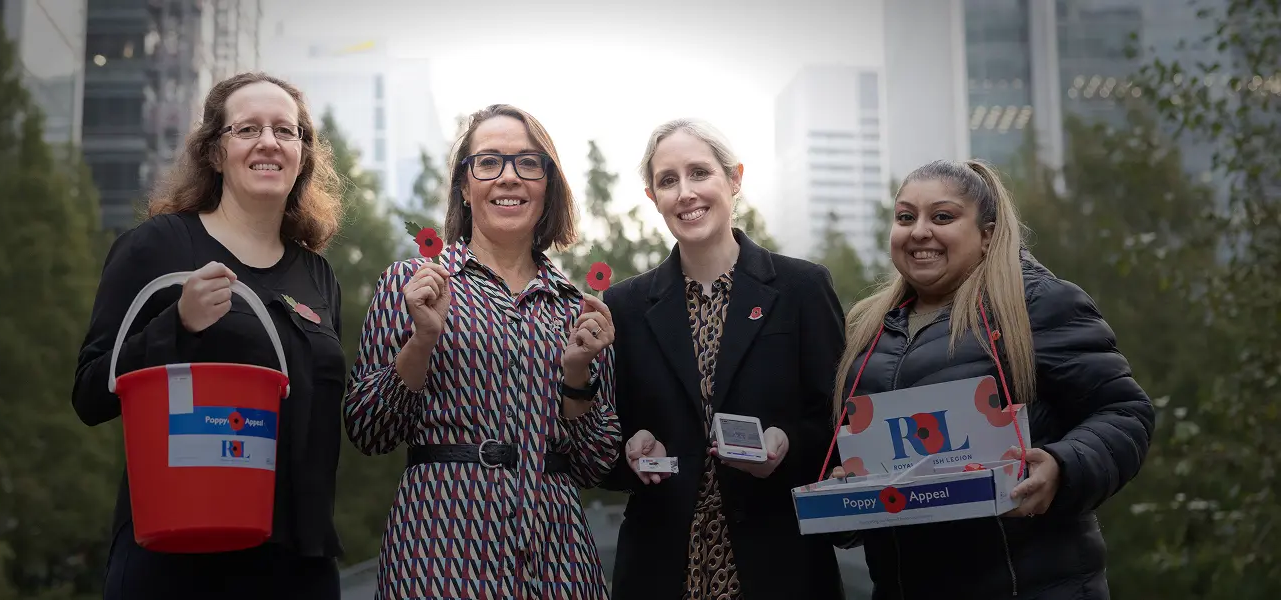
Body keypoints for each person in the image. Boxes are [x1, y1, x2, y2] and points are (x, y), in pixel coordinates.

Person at [72, 72, 347, 599]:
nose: (269, 142)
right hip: (182, 556)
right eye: (247, 129)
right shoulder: (158, 248)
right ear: (215, 153)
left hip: (300, 566)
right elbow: (89, 392)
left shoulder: (318, 276)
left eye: (286, 131)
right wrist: (176, 324)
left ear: (303, 155)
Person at [830, 159, 1155, 599]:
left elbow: (1124, 412)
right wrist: (846, 492)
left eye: (942, 216)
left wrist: (1063, 466)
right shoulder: (867, 329)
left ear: (987, 234)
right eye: (906, 217)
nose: (919, 231)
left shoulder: (1035, 303)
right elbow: (858, 454)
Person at [344, 104, 622, 598]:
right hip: (439, 552)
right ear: (465, 187)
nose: (509, 178)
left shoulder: (577, 311)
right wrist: (422, 341)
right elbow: (368, 429)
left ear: (548, 186)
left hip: (557, 557)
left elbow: (595, 463)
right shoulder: (411, 285)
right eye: (489, 162)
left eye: (527, 163)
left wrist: (577, 376)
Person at [598, 118, 847, 600]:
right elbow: (601, 450)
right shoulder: (623, 306)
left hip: (781, 565)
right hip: (662, 569)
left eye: (700, 173)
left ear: (734, 179)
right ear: (653, 198)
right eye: (668, 181)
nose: (685, 192)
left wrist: (787, 444)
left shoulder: (802, 289)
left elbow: (839, 422)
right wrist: (631, 447)